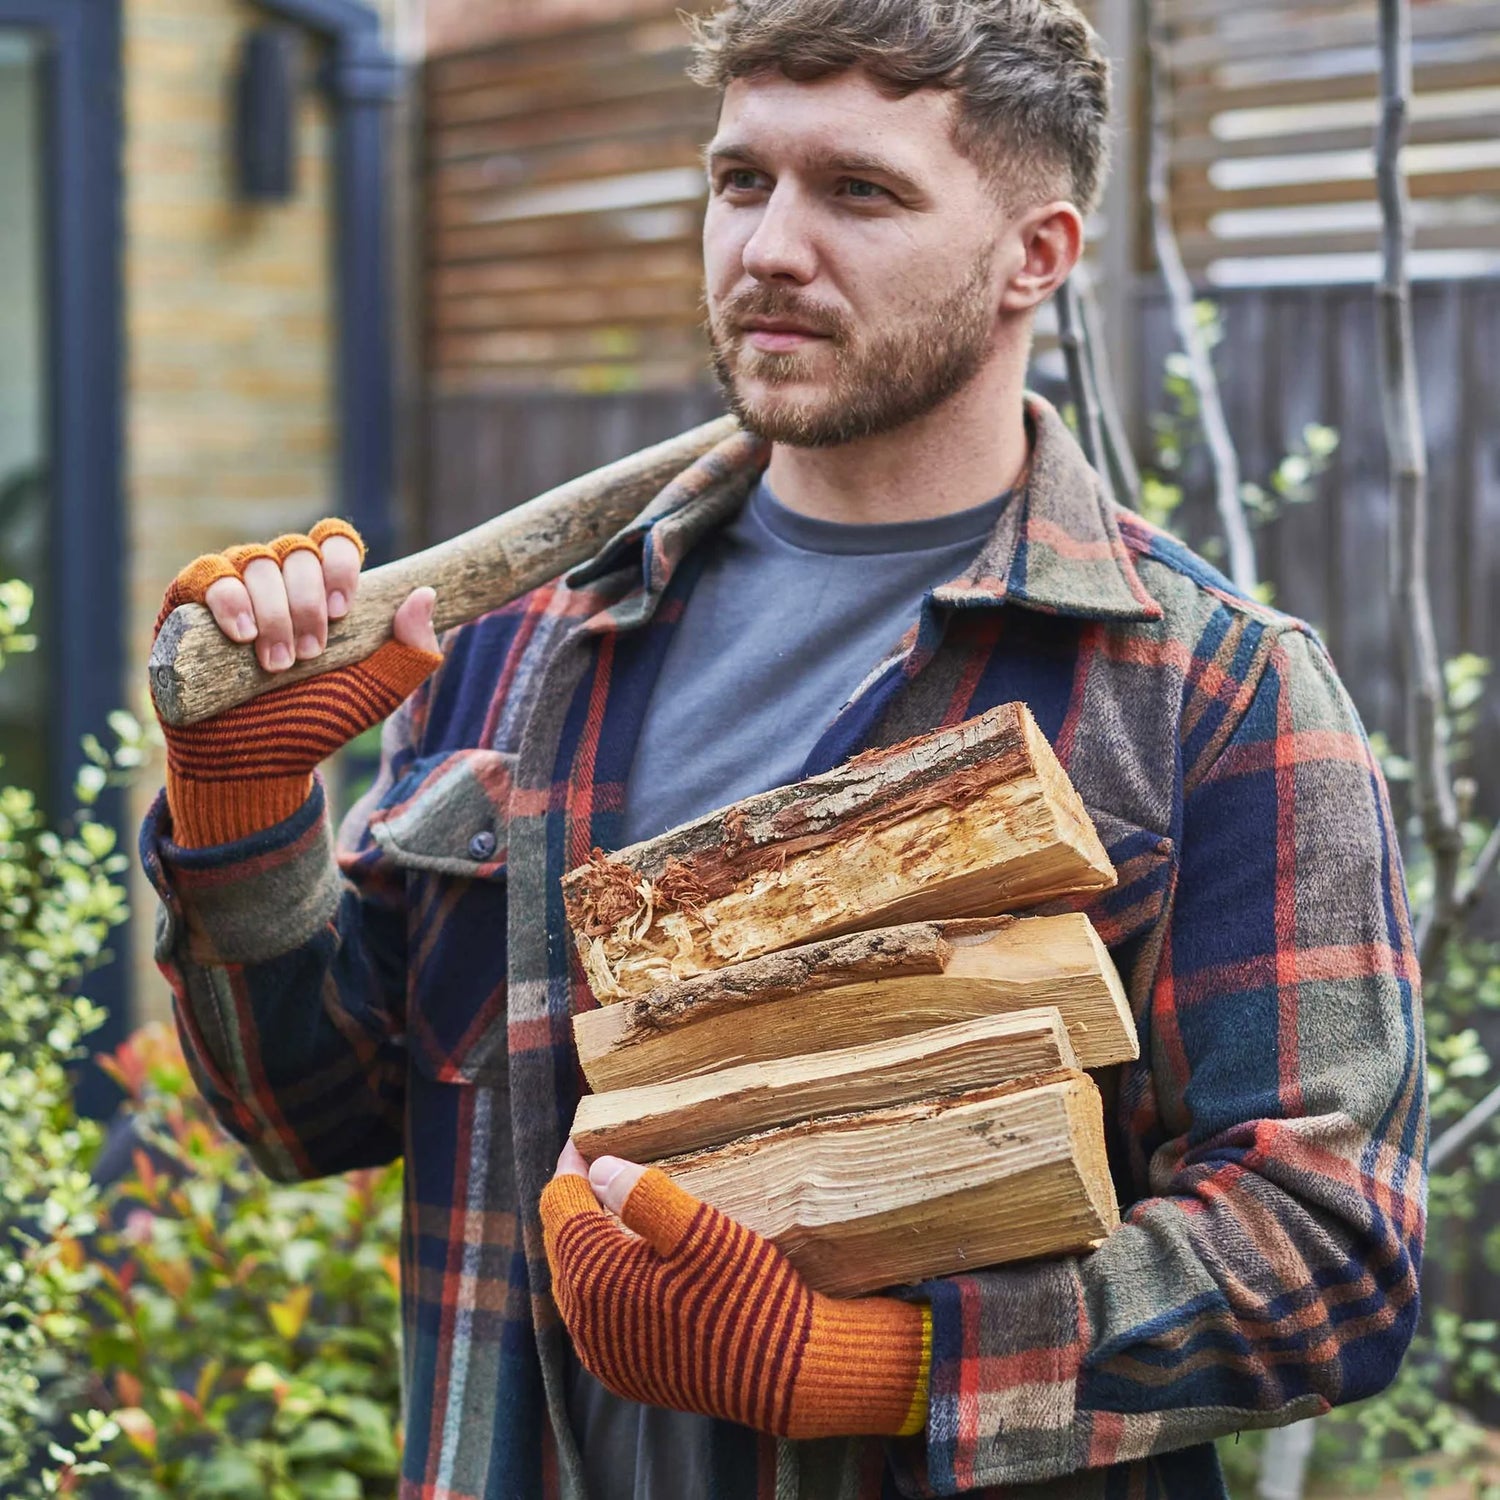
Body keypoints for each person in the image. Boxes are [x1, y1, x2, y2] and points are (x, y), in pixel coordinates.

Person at [138, 1, 1427, 1495]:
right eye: (741, 181)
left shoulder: (1206, 696)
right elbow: (307, 1108)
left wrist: (883, 1369)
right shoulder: (514, 641)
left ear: (1039, 255)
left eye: (859, 191)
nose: (768, 248)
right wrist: (241, 808)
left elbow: (1329, 1255)